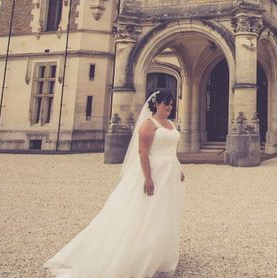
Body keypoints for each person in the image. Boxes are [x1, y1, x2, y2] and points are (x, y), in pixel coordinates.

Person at [44, 91, 185, 278]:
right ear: (156, 104)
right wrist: (148, 178)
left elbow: (171, 150)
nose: (169, 108)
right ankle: (133, 253)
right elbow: (143, 153)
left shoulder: (170, 124)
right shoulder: (148, 125)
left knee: (162, 211)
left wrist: (179, 168)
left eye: (171, 104)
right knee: (144, 211)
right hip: (154, 171)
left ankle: (159, 254)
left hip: (169, 173)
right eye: (165, 104)